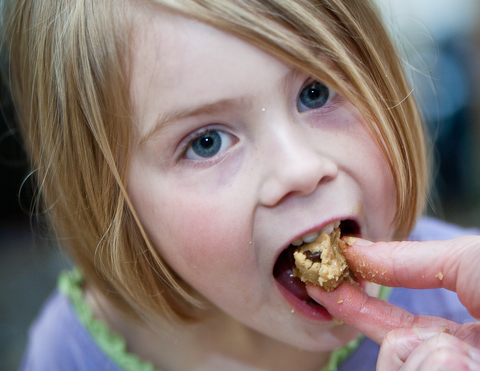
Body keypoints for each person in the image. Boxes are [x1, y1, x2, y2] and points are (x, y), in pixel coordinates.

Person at [3, 0, 478, 370]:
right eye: (207, 142)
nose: (299, 168)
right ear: (114, 202)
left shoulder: (465, 305)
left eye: (315, 92)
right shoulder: (69, 355)